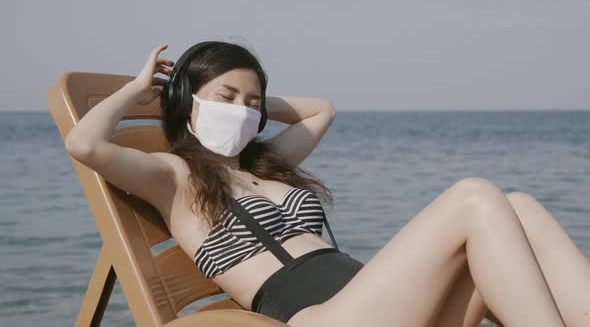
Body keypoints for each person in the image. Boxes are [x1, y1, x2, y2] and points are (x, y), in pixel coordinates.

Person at [64, 41, 589, 327]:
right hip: (324, 320)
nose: (244, 112)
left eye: (254, 104)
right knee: (474, 195)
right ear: (188, 102)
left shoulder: (264, 162)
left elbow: (322, 110)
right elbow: (85, 145)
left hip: (382, 310)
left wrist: (250, 105)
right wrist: (139, 89)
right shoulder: (173, 176)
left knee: (517, 205)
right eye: (225, 97)